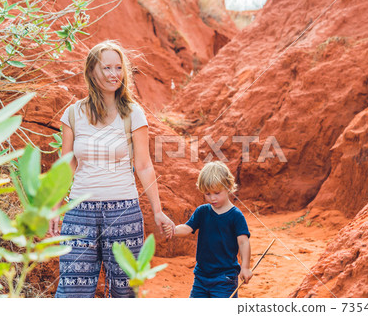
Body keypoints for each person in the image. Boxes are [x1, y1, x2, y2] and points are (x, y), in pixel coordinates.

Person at [49, 40, 175, 298]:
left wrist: (158, 210)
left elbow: (143, 165)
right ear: (91, 71)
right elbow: (67, 164)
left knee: (125, 292)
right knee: (73, 292)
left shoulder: (132, 113)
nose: (114, 74)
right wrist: (54, 207)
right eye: (106, 67)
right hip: (79, 214)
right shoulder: (73, 114)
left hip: (124, 213)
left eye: (118, 68)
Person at [164, 161, 252, 298]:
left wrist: (245, 267)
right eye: (207, 194)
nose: (212, 198)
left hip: (225, 278)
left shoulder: (236, 216)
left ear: (228, 187)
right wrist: (174, 230)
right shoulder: (202, 211)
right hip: (201, 276)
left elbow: (243, 242)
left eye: (217, 193)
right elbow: (187, 228)